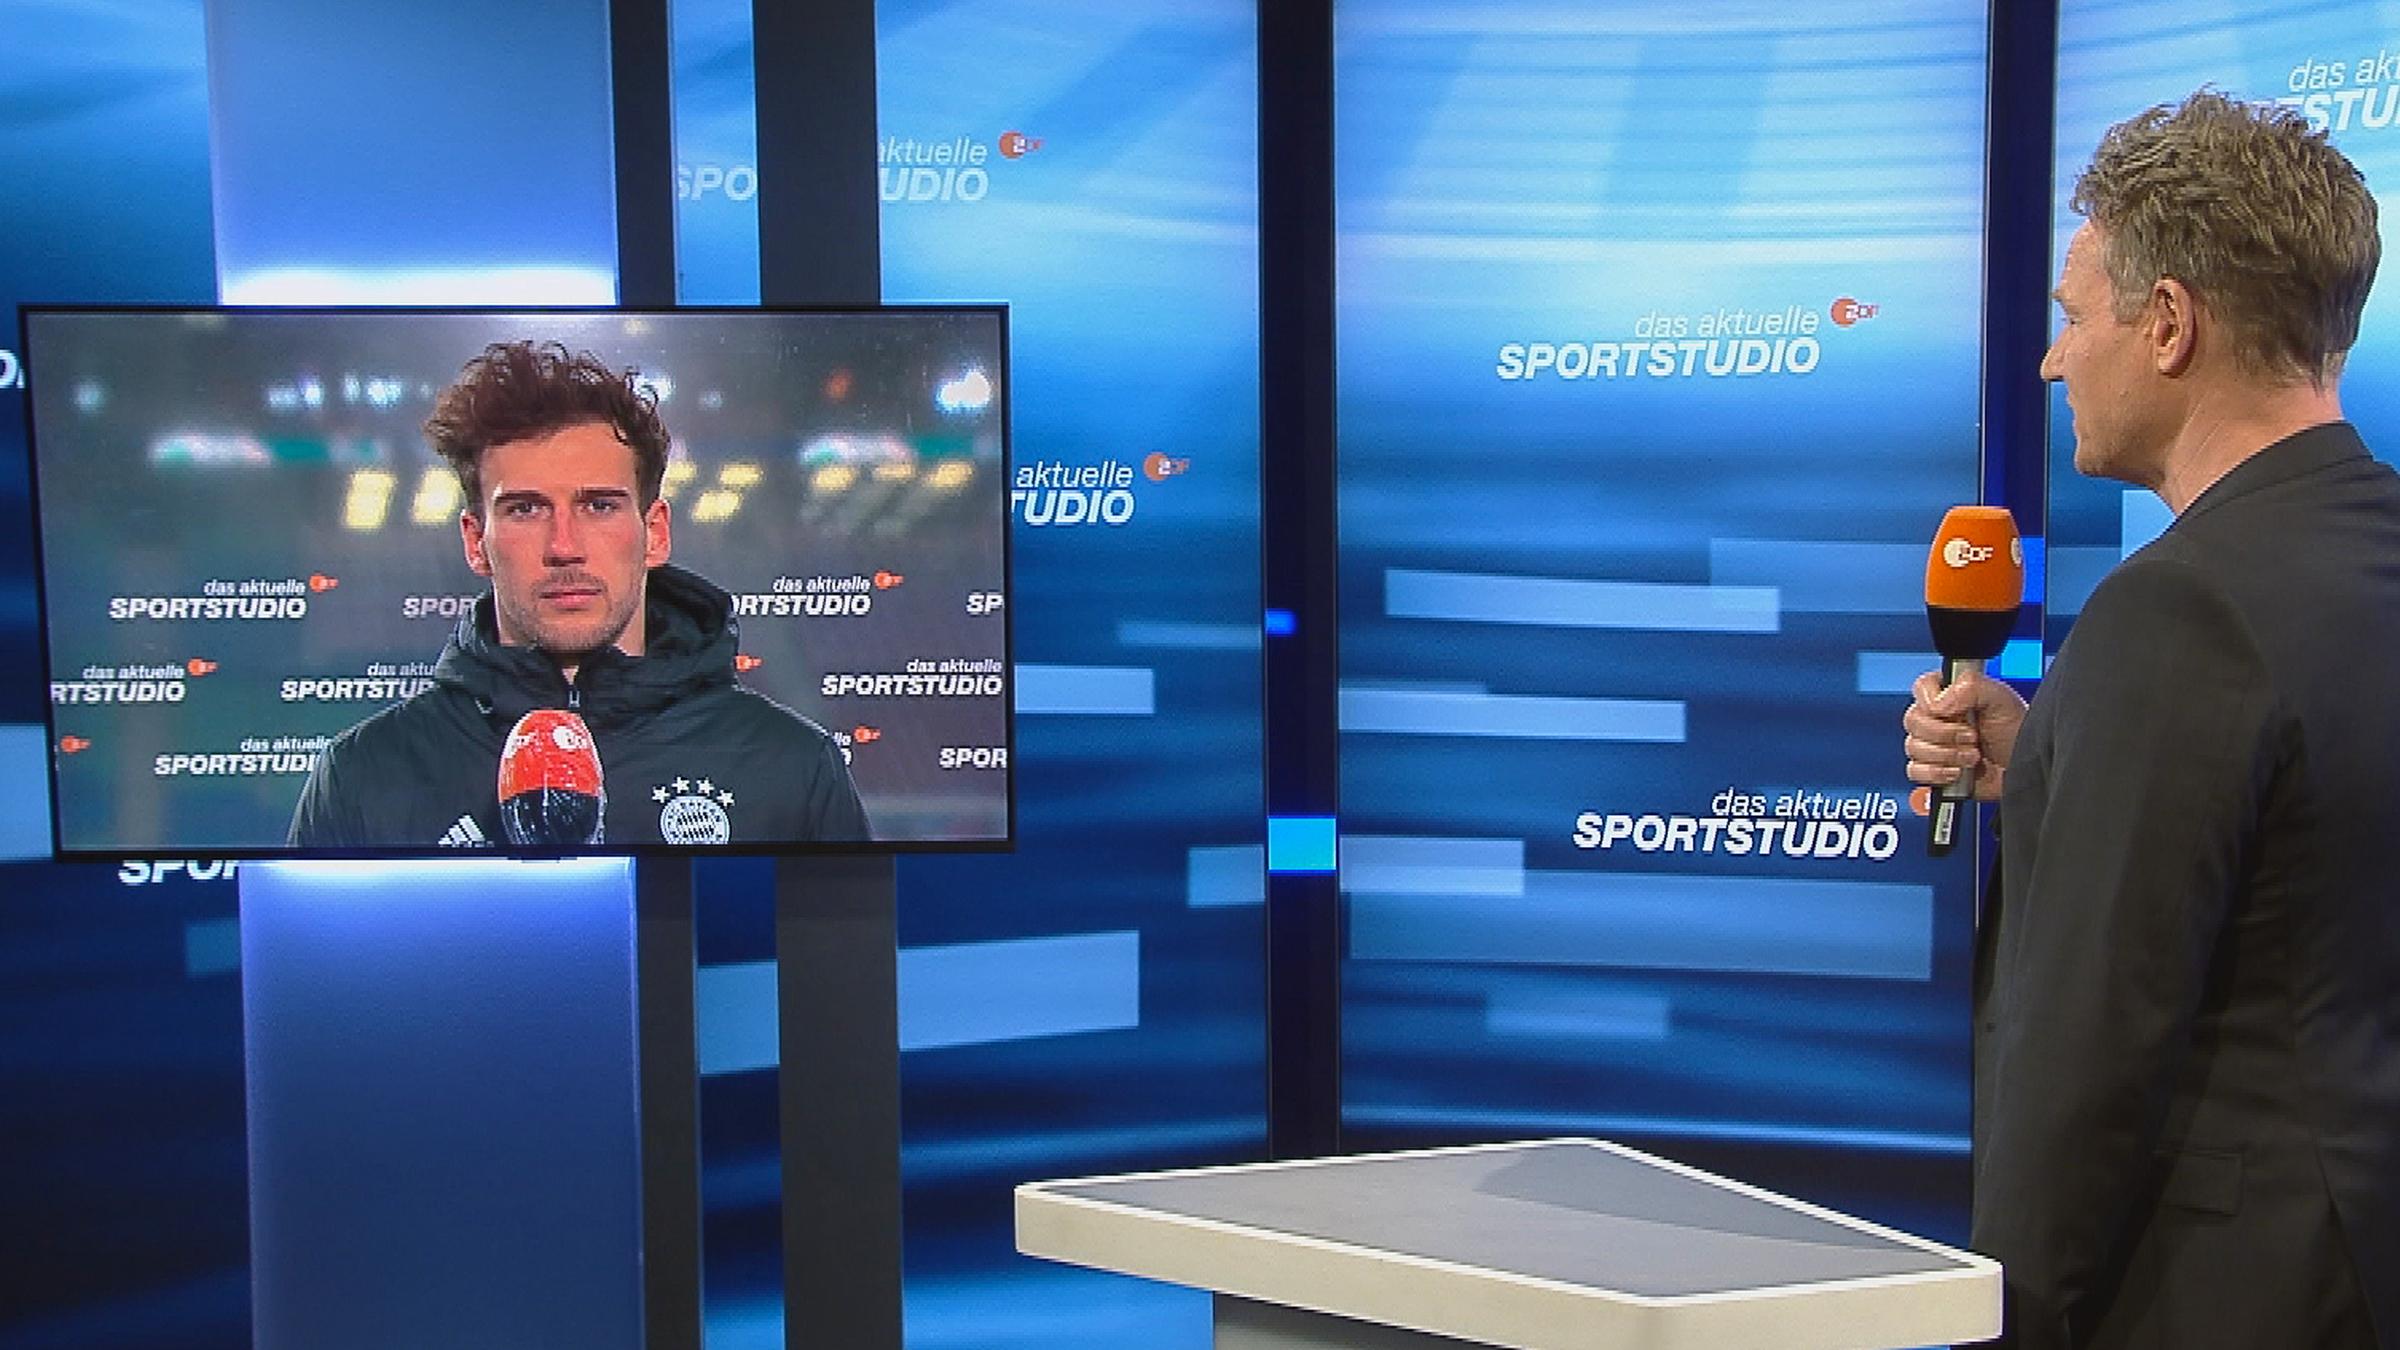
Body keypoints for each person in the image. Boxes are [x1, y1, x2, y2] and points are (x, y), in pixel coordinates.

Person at [1903, 91, 2398, 1349]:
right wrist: (2056, 766)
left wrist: (2006, 1326)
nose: (2051, 360)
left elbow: (2085, 1065)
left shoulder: (2175, 609)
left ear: (2169, 324)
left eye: (2074, 319)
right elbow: (2317, 842)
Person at [290, 340, 868, 848]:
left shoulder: (794, 769)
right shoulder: (361, 777)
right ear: (475, 542)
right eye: (525, 509)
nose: (564, 547)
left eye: (599, 506)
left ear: (655, 533)